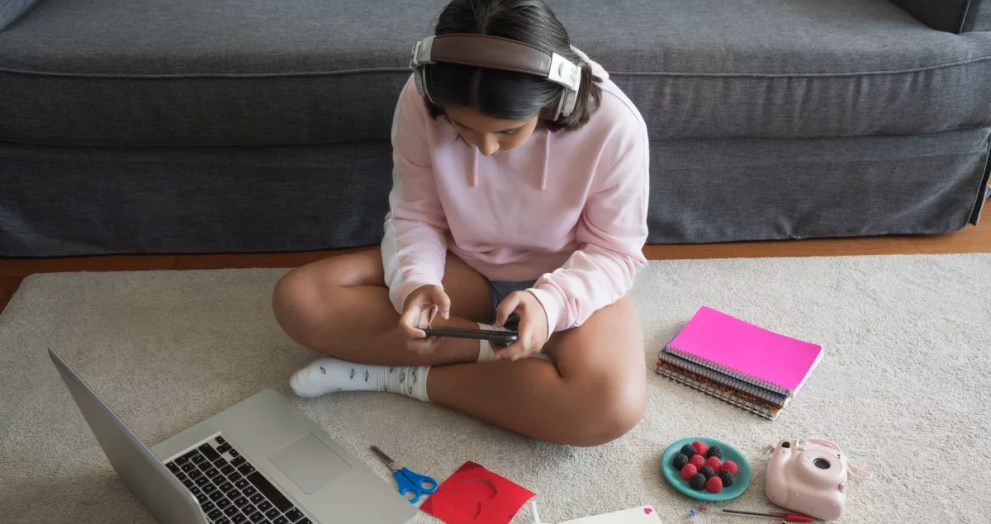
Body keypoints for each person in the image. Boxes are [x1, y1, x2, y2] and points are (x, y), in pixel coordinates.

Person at [272, 0, 649, 446]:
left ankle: (400, 378)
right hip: (463, 267)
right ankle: (500, 349)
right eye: (461, 129)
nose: (484, 150)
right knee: (300, 299)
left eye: (508, 132)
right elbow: (416, 214)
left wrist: (550, 306)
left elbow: (615, 251)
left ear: (555, 101)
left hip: (563, 274)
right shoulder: (421, 97)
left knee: (608, 407)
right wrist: (415, 282)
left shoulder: (615, 125)